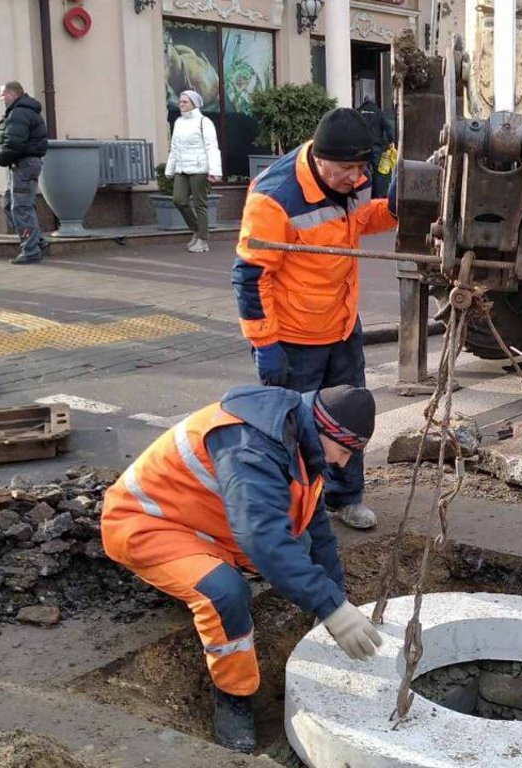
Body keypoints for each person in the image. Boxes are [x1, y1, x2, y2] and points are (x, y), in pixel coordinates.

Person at [100, 384, 384, 753]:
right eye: (344, 451)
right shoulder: (250, 445)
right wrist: (330, 608)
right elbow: (262, 537)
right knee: (225, 593)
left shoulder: (301, 435)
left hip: (206, 524)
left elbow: (318, 532)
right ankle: (233, 697)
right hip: (147, 524)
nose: (343, 463)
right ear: (324, 429)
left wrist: (335, 600)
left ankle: (203, 579)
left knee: (296, 546)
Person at [232, 107, 396, 531]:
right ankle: (293, 510)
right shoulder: (275, 196)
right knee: (295, 429)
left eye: (361, 167)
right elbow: (250, 278)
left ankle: (346, 496)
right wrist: (265, 344)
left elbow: (360, 221)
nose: (356, 177)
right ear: (320, 159)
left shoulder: (353, 179)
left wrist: (394, 209)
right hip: (293, 337)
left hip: (341, 325)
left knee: (348, 416)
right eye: (346, 168)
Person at [0, 81, 50, 265]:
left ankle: (31, 249)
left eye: (3, 94)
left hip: (24, 164)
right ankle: (37, 241)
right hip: (25, 163)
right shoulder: (24, 111)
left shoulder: (19, 112)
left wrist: (2, 158)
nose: (1, 98)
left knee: (21, 207)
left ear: (12, 94)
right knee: (8, 202)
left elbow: (14, 142)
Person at [165, 89, 221, 253]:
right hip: (182, 168)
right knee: (178, 200)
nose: (181, 104)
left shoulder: (205, 122)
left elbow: (212, 147)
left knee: (200, 204)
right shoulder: (179, 122)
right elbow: (174, 147)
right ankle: (198, 230)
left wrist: (214, 171)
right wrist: (170, 168)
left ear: (194, 104)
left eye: (185, 102)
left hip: (199, 168)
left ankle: (202, 240)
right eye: (180, 101)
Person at [356, 95, 394, 198]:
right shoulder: (378, 111)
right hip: (376, 146)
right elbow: (387, 126)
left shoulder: (358, 112)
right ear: (373, 102)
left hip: (363, 148)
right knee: (379, 173)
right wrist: (391, 140)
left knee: (363, 172)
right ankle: (379, 196)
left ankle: (364, 196)